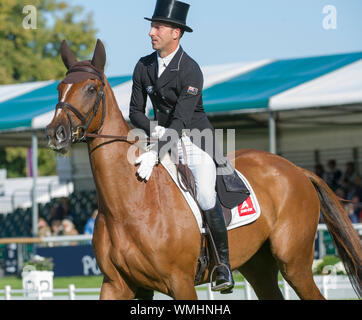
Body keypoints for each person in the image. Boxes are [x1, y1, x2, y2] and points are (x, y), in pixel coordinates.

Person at [129, 0, 234, 293]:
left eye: (157, 27)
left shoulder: (190, 69)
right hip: (160, 133)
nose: (151, 32)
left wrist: (156, 151)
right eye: (152, 26)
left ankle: (221, 265)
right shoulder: (143, 66)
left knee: (203, 192)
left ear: (175, 32)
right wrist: (153, 131)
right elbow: (135, 112)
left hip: (195, 138)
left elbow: (182, 119)